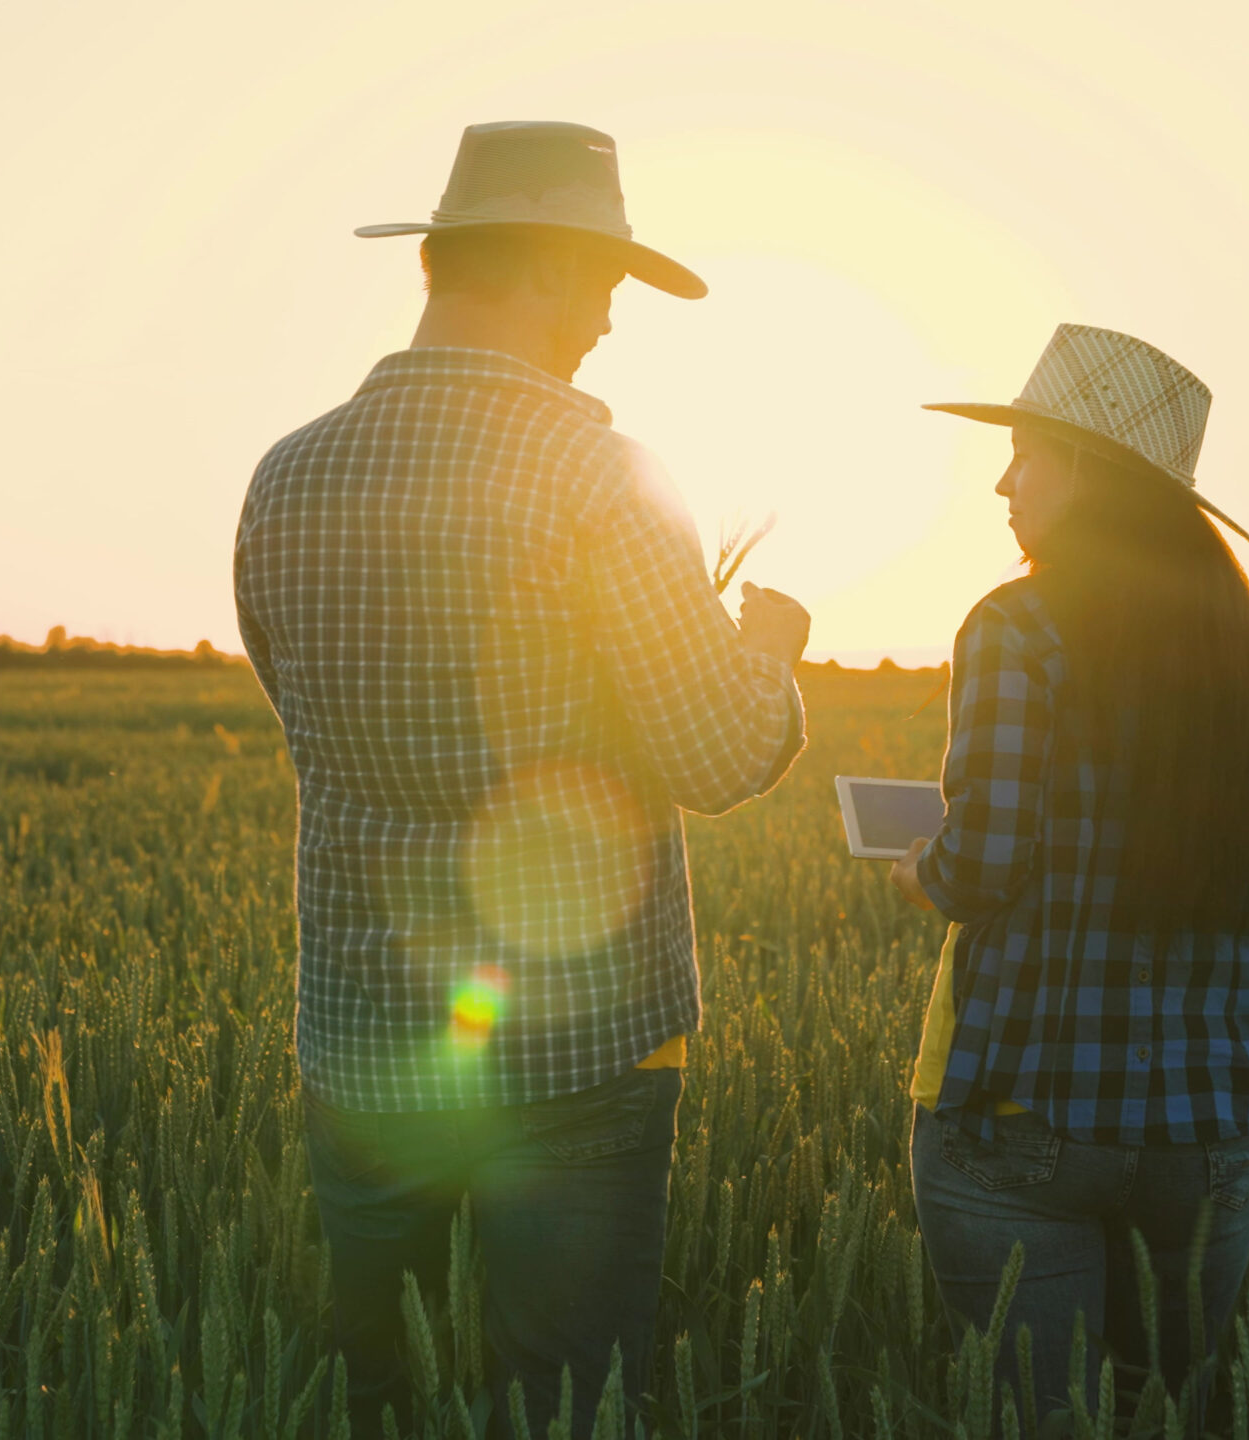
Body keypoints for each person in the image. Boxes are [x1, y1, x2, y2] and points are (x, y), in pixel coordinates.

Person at [233, 120, 811, 1437]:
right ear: (546, 270)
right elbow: (719, 757)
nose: (608, 323)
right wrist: (766, 651)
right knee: (564, 1402)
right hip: (579, 1045)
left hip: (365, 1033)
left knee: (375, 1395)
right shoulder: (600, 473)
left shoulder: (288, 473)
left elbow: (305, 711)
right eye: (605, 285)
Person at [889, 324, 1249, 1426]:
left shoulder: (1017, 626)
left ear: (1088, 470)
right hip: (1206, 1132)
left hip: (1021, 1112)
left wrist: (919, 869)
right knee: (1161, 1413)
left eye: (1025, 454)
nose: (1003, 481)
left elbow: (981, 865)